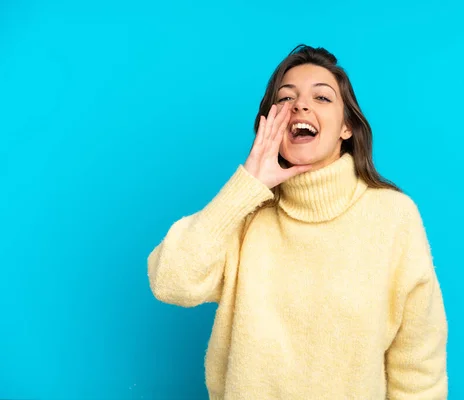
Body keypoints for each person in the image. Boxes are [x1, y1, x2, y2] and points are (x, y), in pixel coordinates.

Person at [147, 44, 448, 399]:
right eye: (286, 99)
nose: (301, 105)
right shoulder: (246, 214)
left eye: (322, 98)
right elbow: (171, 281)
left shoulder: (393, 216)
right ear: (269, 123)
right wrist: (247, 184)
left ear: (347, 127)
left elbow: (418, 362)